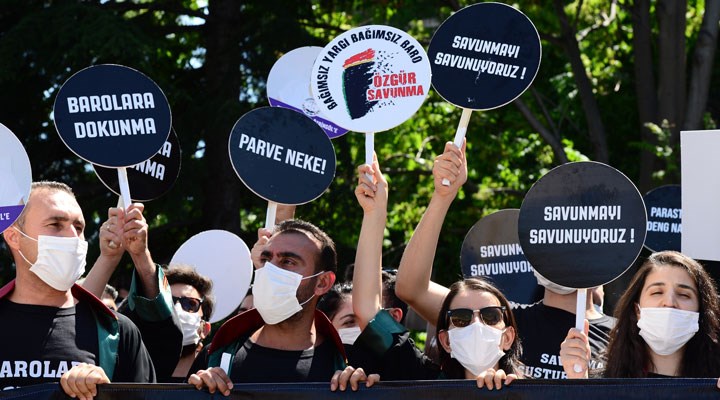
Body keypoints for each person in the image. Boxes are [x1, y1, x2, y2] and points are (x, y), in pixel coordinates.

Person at [395, 141, 614, 379]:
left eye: (574, 237)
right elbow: (412, 288)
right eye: (549, 237)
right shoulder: (497, 319)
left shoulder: (623, 336)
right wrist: (442, 197)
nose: (561, 248)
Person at [351, 152, 517, 389]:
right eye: (461, 319)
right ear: (445, 340)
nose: (477, 324)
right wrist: (373, 213)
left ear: (508, 336)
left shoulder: (537, 390)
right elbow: (368, 311)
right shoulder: (427, 382)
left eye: (491, 316)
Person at [0, 181, 155, 397]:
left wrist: (106, 394)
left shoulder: (116, 332)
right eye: (55, 224)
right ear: (14, 237)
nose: (73, 237)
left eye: (79, 227)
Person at [188, 219, 376, 395]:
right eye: (266, 260)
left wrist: (365, 393)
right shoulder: (216, 358)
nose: (270, 270)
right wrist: (197, 393)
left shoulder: (346, 368)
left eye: (287, 262)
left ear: (322, 282)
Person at [560, 250, 720, 384]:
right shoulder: (603, 385)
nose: (669, 302)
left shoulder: (715, 383)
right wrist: (579, 384)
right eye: (657, 292)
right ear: (637, 310)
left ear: (700, 311)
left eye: (684, 294)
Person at [81, 202, 183, 382]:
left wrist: (140, 254)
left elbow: (162, 334)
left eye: (77, 227)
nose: (178, 308)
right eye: (55, 224)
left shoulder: (125, 334)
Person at [165, 264, 214, 382]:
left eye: (190, 304)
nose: (177, 310)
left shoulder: (214, 380)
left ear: (205, 329)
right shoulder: (134, 375)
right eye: (168, 303)